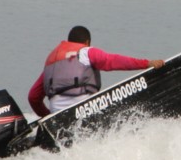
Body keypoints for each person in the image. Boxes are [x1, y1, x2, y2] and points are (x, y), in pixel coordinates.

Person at [28, 25, 164, 118]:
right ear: (87, 42)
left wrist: (48, 116)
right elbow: (113, 61)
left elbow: (33, 97)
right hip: (84, 111)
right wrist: (146, 63)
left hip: (57, 114)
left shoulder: (51, 61)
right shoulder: (86, 52)